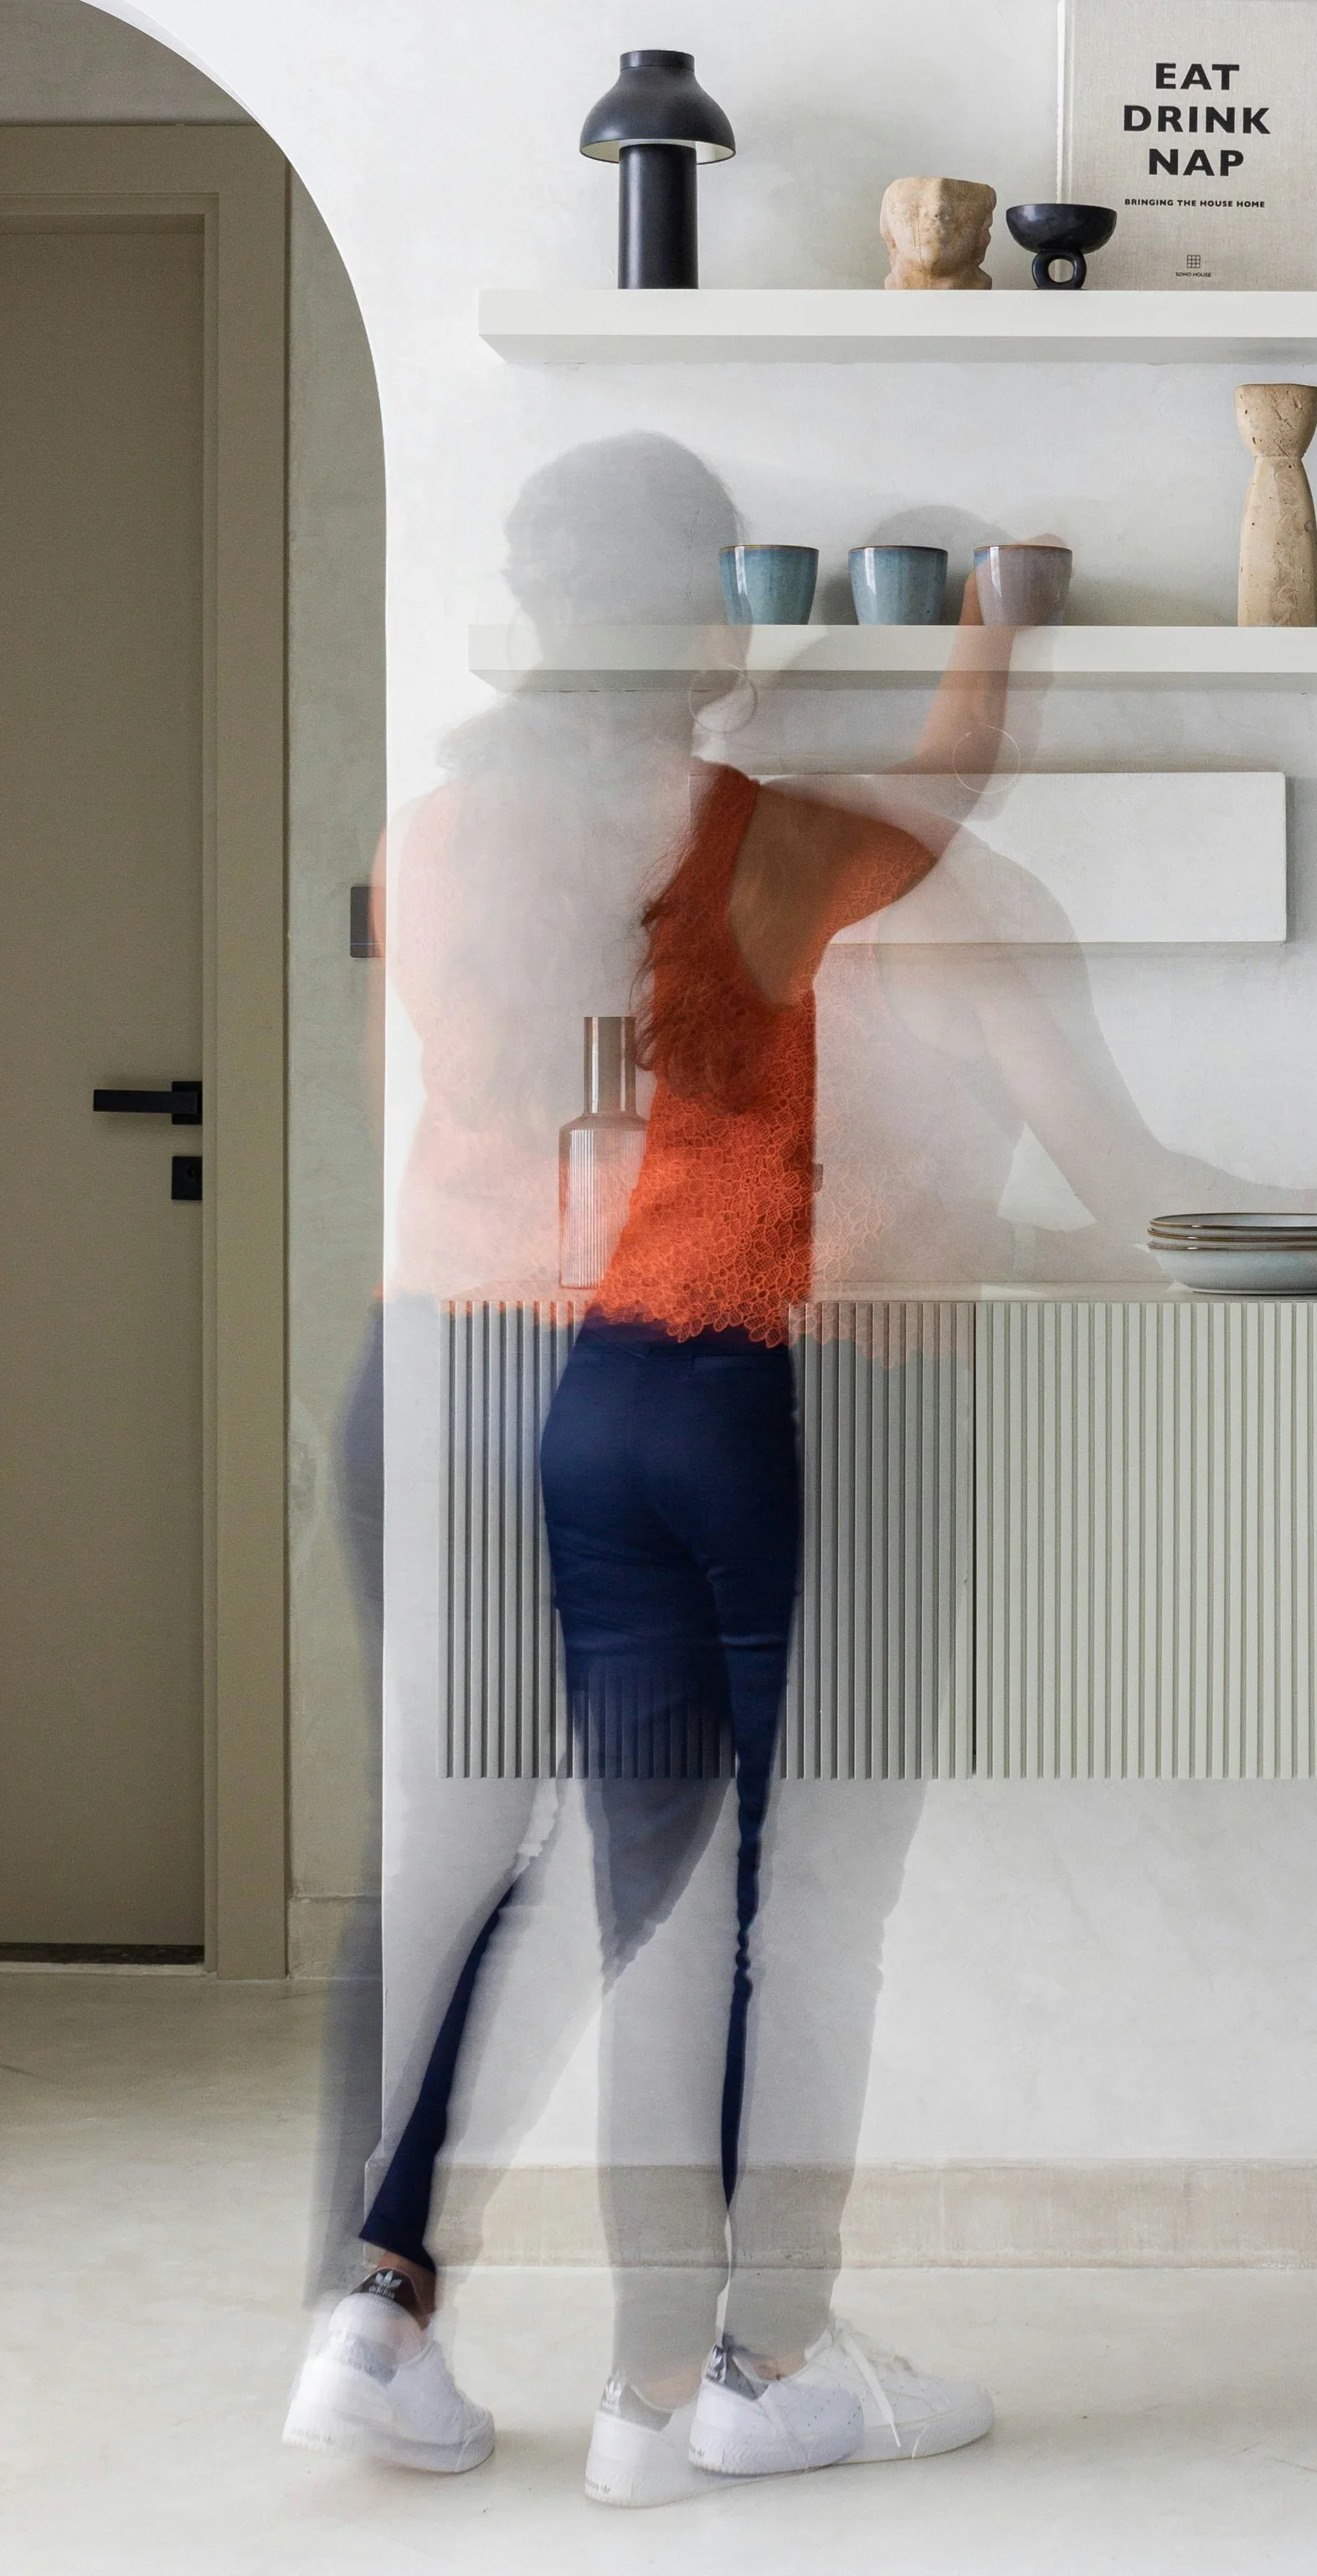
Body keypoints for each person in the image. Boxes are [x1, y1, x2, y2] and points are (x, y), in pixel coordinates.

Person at [286, 589, 1017, 2495]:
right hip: (722, 1400)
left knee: (627, 1887)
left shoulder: (531, 869)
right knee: (788, 1904)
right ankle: (727, 2372)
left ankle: (496, 2340)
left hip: (565, 1391)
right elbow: (950, 780)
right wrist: (1000, 620)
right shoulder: (780, 856)